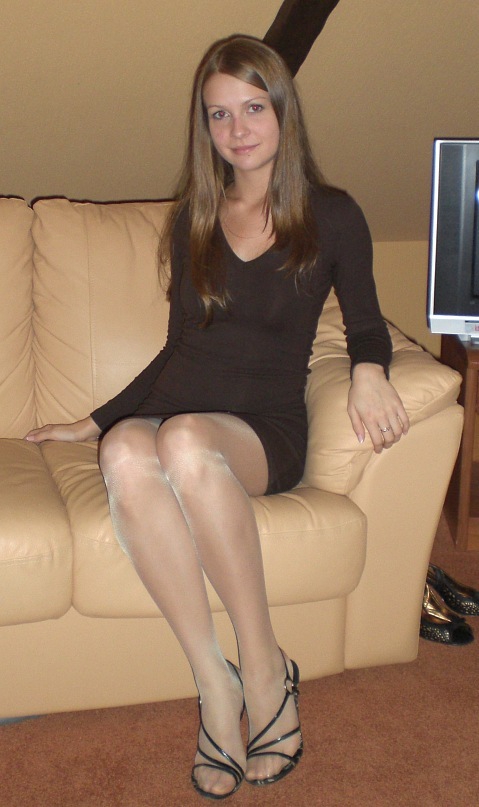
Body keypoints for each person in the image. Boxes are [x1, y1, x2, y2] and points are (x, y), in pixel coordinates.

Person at [25, 34, 409, 800]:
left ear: (282, 111)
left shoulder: (332, 214)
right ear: (203, 127)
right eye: (218, 114)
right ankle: (216, 681)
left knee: (184, 441)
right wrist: (95, 423)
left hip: (265, 431)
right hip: (186, 415)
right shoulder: (195, 219)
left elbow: (366, 324)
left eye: (252, 108)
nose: (237, 129)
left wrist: (369, 369)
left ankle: (265, 667)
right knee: (128, 453)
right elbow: (178, 348)